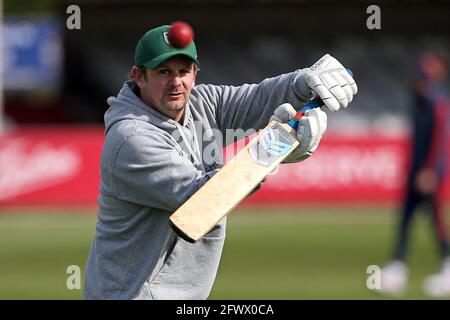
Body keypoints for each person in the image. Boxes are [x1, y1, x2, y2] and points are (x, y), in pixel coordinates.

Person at [83, 24, 358, 300]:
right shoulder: (130, 137)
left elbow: (257, 98)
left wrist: (304, 81)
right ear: (139, 77)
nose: (176, 82)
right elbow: (204, 200)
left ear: (195, 74)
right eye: (164, 72)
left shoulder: (202, 104)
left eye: (183, 71)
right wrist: (274, 151)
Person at [379, 53, 450, 297]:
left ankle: (447, 268)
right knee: (406, 220)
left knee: (436, 220)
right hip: (416, 172)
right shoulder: (418, 101)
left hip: (430, 174)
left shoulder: (436, 103)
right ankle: (397, 268)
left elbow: (440, 141)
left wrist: (430, 170)